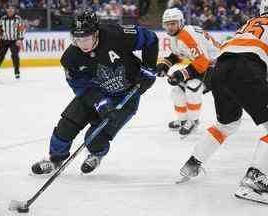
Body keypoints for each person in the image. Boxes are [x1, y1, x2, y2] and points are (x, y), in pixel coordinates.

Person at [31, 9, 158, 175]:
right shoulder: (70, 57)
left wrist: (148, 69)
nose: (82, 44)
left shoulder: (117, 34)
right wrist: (99, 102)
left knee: (95, 139)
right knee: (66, 126)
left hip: (125, 96)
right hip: (94, 93)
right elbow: (80, 86)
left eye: (86, 39)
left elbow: (151, 39)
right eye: (77, 39)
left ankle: (96, 155)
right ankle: (55, 159)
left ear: (96, 33)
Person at [178, 0, 268, 204]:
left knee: (227, 124)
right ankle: (256, 183)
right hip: (245, 68)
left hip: (220, 69)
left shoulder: (251, 23)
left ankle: (193, 163)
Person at [156, 8, 220, 137]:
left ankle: (193, 121)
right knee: (177, 91)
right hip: (204, 64)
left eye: (173, 23)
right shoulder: (176, 35)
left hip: (218, 66)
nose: (170, 27)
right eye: (167, 24)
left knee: (192, 88)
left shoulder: (187, 34)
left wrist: (181, 74)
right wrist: (165, 65)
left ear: (180, 22)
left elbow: (202, 63)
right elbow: (178, 55)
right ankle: (183, 119)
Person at [0, 4, 25, 80]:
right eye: (9, 10)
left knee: (15, 56)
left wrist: (20, 39)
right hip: (4, 40)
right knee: (0, 57)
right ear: (7, 11)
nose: (10, 12)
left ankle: (17, 72)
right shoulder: (3, 19)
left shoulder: (18, 18)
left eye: (12, 10)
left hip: (14, 41)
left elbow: (22, 29)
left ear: (14, 11)